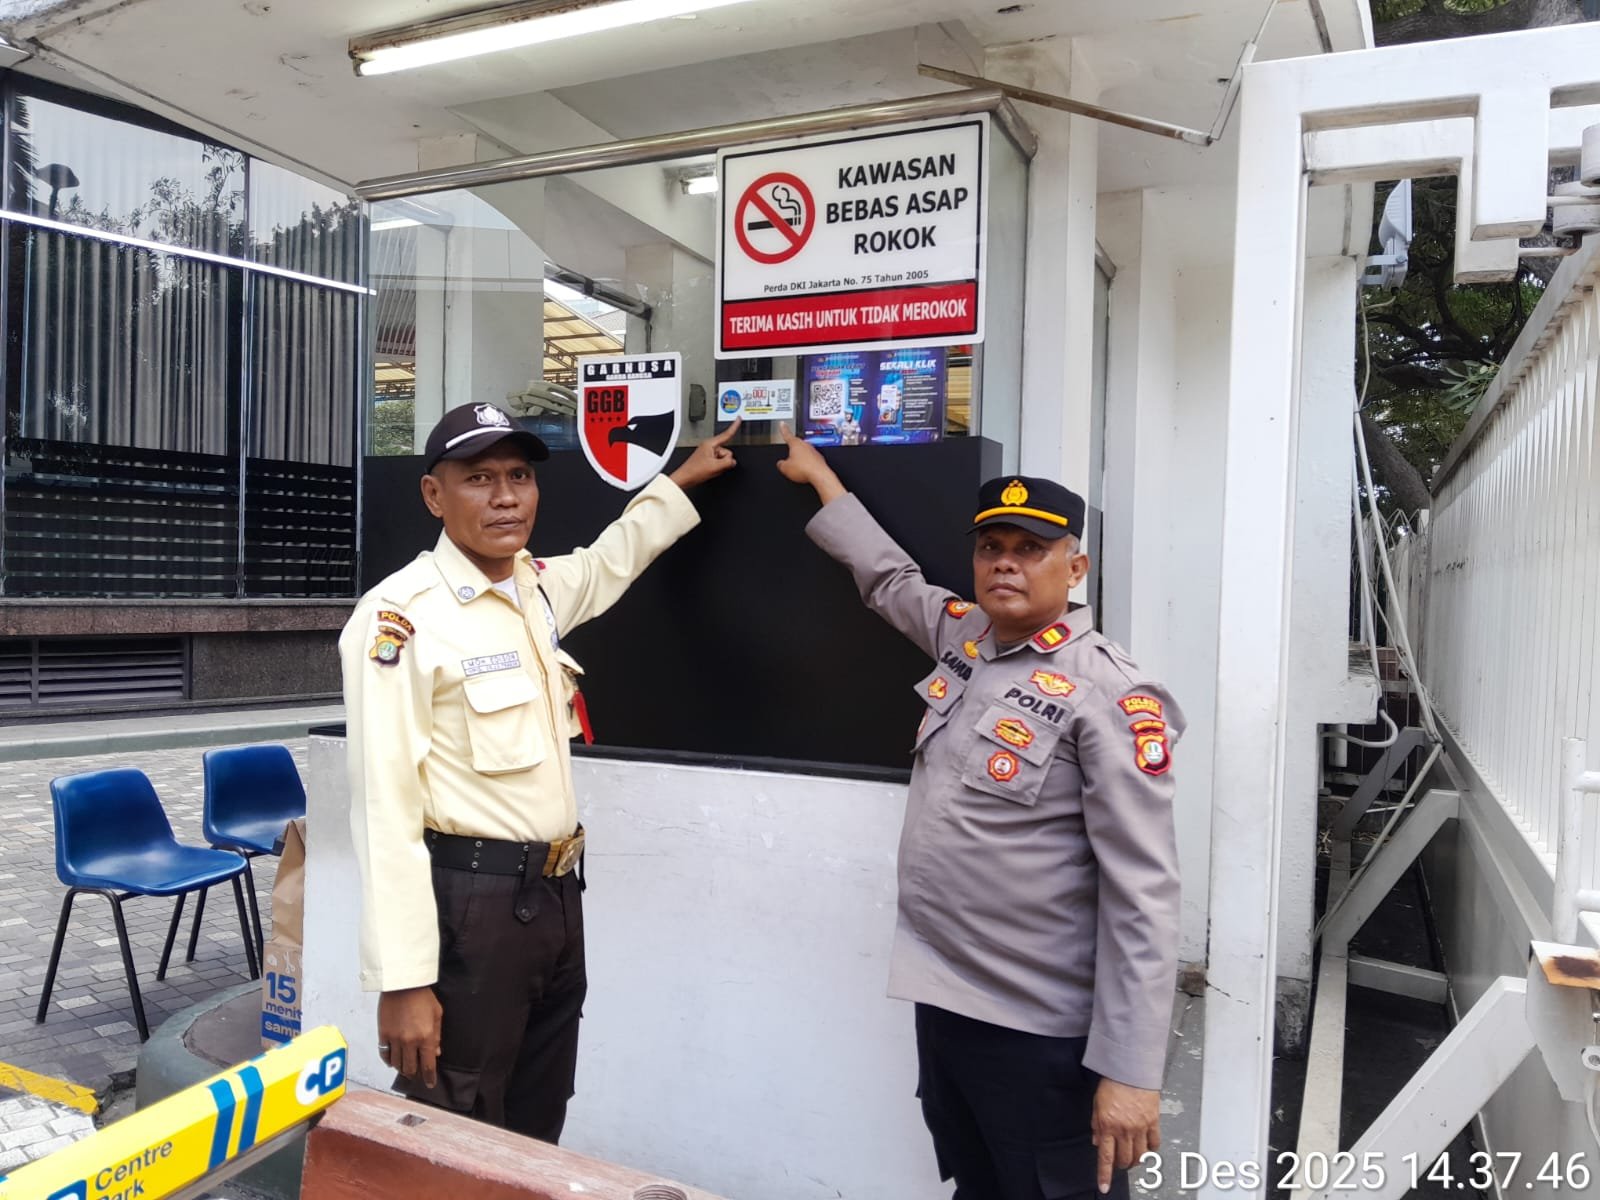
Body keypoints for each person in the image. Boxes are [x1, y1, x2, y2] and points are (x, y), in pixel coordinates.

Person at [777, 425, 1182, 1200]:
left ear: (1076, 566)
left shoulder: (1112, 694)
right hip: (947, 1003)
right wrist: (824, 480)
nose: (1005, 562)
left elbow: (1144, 894)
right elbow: (891, 580)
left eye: (1030, 549)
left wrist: (1131, 1072)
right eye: (991, 547)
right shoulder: (970, 638)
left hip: (1041, 1032)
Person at [339, 402, 740, 1143]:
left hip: (554, 898)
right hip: (470, 910)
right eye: (479, 479)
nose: (505, 497)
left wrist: (680, 481)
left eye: (519, 476)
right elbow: (382, 807)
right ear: (434, 495)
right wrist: (404, 978)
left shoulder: (534, 590)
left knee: (536, 1119)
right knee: (456, 1131)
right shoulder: (401, 616)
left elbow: (612, 557)